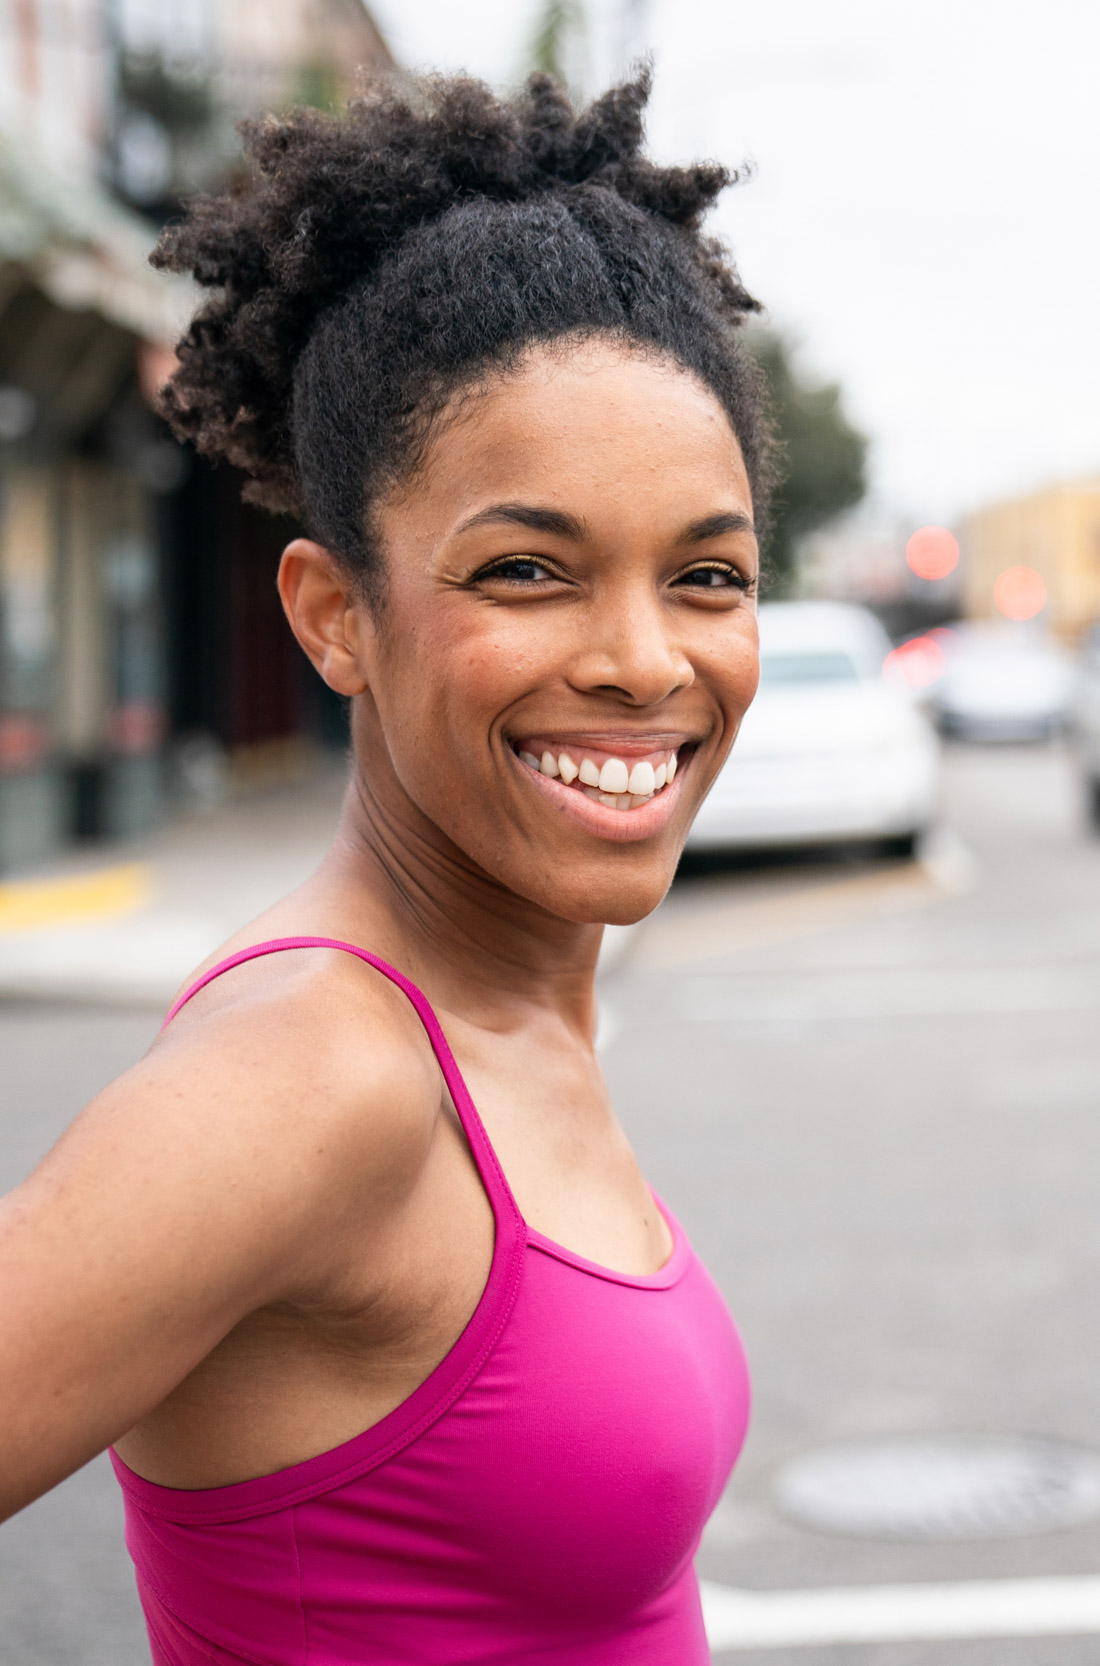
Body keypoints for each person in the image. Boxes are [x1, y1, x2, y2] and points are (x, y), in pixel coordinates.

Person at [0, 70, 773, 1664]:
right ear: (332, 612)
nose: (643, 660)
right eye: (527, 570)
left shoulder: (511, 995)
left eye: (705, 572)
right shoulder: (314, 1076)